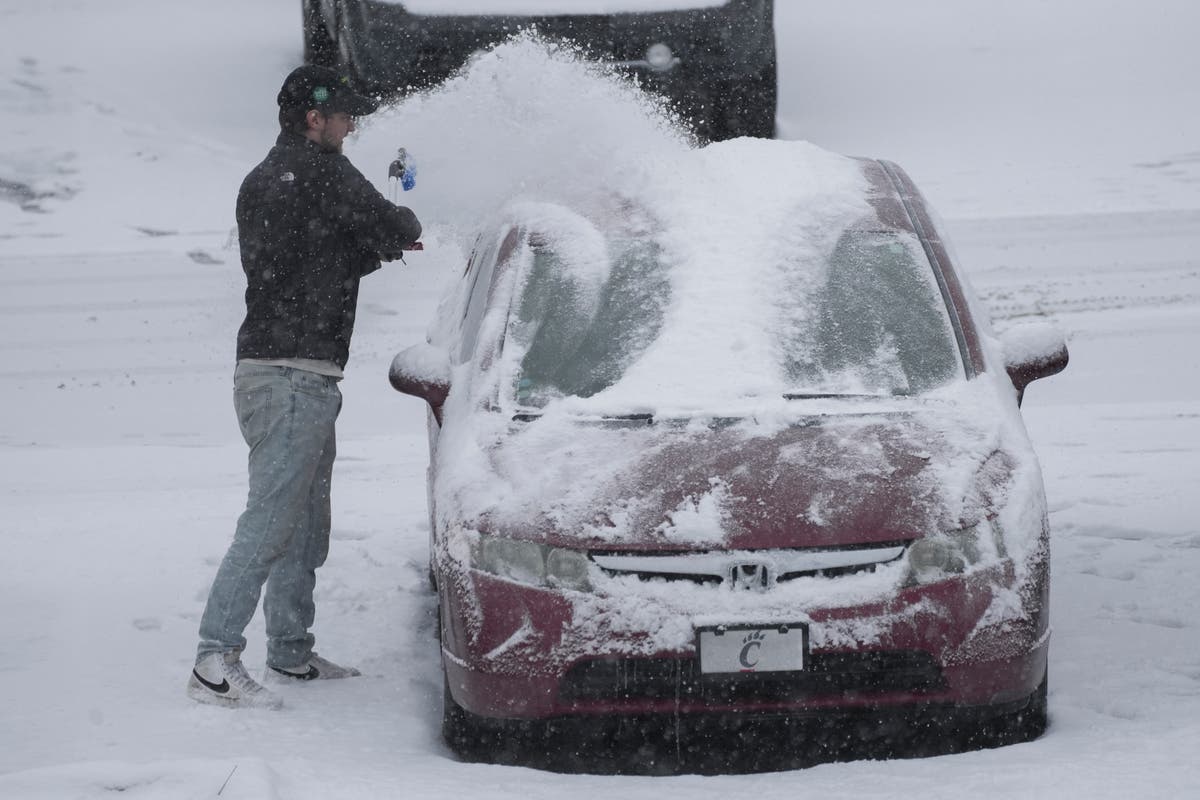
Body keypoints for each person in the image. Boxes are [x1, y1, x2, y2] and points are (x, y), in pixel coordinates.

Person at [187, 65, 422, 709]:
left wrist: (383, 243)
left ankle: (290, 652)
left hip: (294, 372)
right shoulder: (318, 170)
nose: (353, 126)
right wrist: (403, 224)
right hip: (289, 376)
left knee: (304, 522)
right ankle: (214, 657)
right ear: (313, 117)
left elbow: (322, 258)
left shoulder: (274, 179)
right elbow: (387, 221)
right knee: (269, 522)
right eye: (346, 115)